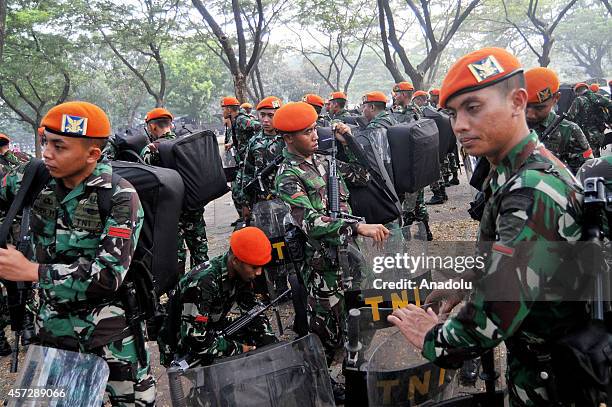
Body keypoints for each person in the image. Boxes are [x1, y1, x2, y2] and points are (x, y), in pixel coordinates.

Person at [388, 47, 591, 406]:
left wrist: (435, 339)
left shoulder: (532, 188)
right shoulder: (512, 170)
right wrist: (465, 283)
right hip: (539, 365)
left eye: (473, 107)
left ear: (517, 101)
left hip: (558, 379)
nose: (459, 125)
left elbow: (497, 308)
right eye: (453, 113)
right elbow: (506, 254)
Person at [0, 101, 155, 406]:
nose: (46, 153)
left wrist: (32, 271)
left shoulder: (120, 196)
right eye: (45, 142)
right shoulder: (34, 181)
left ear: (92, 155)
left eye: (59, 146)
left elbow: (109, 275)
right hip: (52, 336)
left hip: (110, 342)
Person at [274, 102, 389, 365]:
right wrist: (356, 226)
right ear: (288, 138)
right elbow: (310, 221)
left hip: (351, 258)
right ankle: (323, 385)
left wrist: (348, 142)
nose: (315, 135)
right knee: (326, 335)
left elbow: (363, 175)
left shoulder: (326, 161)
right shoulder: (288, 176)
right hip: (323, 267)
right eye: (307, 132)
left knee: (361, 319)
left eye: (315, 129)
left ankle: (355, 368)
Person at [174, 227, 276, 366]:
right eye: (254, 267)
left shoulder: (241, 273)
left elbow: (252, 309)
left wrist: (269, 341)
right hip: (185, 342)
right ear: (235, 261)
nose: (259, 273)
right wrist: (240, 349)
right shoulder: (203, 283)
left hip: (211, 327)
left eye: (261, 267)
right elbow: (195, 340)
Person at [140, 108, 208, 270]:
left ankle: (179, 292)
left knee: (175, 258)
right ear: (170, 124)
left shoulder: (151, 150)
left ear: (152, 127)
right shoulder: (187, 143)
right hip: (194, 208)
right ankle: (201, 288)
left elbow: (148, 184)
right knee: (200, 254)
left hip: (170, 214)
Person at [524, 67, 593, 174]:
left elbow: (586, 173)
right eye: (525, 106)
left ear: (556, 98)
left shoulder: (569, 130)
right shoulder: (510, 125)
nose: (530, 114)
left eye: (539, 108)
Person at [0, 132, 31, 356]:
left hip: (11, 230)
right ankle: (27, 329)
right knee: (21, 281)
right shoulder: (23, 160)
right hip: (19, 230)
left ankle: (2, 340)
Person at [239, 96, 284, 215]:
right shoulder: (254, 141)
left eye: (270, 115)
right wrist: (245, 203)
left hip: (287, 198)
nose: (265, 120)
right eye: (262, 115)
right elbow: (247, 172)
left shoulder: (288, 139)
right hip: (262, 200)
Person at [222, 96, 262, 224]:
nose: (222, 112)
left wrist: (255, 145)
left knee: (240, 191)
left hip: (249, 161)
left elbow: (260, 127)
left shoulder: (241, 119)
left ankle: (249, 217)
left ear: (228, 109)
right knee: (239, 191)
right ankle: (245, 217)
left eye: (223, 109)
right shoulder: (235, 120)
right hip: (242, 160)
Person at [568, 82, 612, 157]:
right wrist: (609, 119)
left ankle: (594, 167)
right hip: (599, 132)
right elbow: (610, 105)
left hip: (585, 134)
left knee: (590, 156)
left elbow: (569, 116)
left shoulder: (579, 100)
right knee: (596, 152)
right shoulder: (598, 97)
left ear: (577, 92)